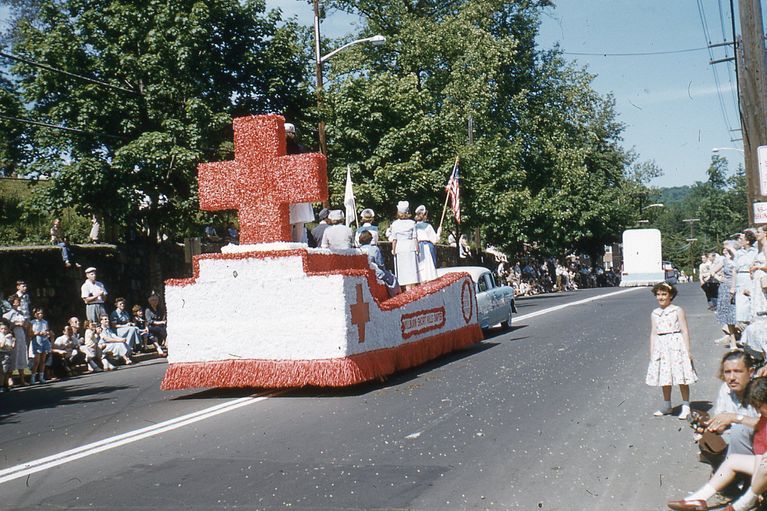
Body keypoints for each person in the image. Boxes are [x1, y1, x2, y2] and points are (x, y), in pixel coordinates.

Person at [667, 377, 767, 511]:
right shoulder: (764, 419)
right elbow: (760, 451)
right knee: (733, 460)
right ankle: (697, 499)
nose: (759, 411)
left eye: (761, 406)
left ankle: (742, 505)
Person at [646, 282, 697, 420]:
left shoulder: (677, 310)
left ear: (671, 295)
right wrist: (652, 352)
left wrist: (688, 350)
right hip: (661, 346)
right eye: (658, 294)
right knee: (665, 376)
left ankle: (686, 405)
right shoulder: (655, 313)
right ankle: (667, 404)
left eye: (664, 294)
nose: (660, 297)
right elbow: (653, 333)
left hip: (676, 344)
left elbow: (684, 330)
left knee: (681, 374)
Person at [699, 351, 759, 468]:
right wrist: (712, 427)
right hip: (739, 445)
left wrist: (734, 418)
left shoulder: (761, 391)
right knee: (708, 439)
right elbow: (721, 419)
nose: (731, 378)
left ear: (750, 372)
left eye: (737, 371)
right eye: (727, 372)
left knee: (738, 431)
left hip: (760, 445)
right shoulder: (725, 389)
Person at [284, 123, 315, 244]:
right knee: (297, 220)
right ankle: (294, 243)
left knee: (297, 220)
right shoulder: (301, 148)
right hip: (295, 187)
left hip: (296, 187)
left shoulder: (299, 149)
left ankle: (294, 243)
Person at [358, 230, 400, 297]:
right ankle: (395, 295)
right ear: (370, 239)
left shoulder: (358, 250)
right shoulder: (374, 249)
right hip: (375, 272)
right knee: (392, 278)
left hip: (363, 271)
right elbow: (380, 263)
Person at [389, 201, 420, 291]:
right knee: (412, 271)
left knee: (404, 272)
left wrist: (393, 250)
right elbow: (415, 238)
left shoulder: (395, 224)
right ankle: (412, 290)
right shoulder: (412, 223)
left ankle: (406, 290)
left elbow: (394, 239)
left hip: (400, 247)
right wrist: (417, 249)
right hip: (410, 247)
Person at [715, 240, 739, 349]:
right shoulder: (724, 261)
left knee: (739, 315)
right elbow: (712, 271)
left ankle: (739, 337)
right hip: (726, 288)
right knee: (729, 316)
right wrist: (720, 278)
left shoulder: (738, 259)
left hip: (739, 287)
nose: (725, 250)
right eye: (724, 248)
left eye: (727, 248)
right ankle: (732, 341)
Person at [3, 295, 29, 386]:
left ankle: (22, 379)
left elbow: (25, 325)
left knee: (22, 356)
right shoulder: (8, 314)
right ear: (12, 302)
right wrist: (15, 324)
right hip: (14, 336)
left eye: (19, 300)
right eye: (17, 301)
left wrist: (23, 324)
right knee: (14, 356)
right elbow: (6, 327)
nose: (18, 302)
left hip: (21, 336)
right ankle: (10, 378)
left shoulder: (20, 313)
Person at [734, 230, 758, 326]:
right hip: (740, 278)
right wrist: (733, 286)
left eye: (741, 239)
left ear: (747, 241)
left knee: (751, 305)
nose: (739, 241)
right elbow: (735, 270)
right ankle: (745, 333)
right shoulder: (738, 253)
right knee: (741, 309)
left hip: (750, 277)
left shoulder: (755, 252)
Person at [414, 205, 438, 282]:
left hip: (417, 247)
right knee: (430, 270)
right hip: (427, 248)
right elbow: (435, 240)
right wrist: (439, 233)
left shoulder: (414, 226)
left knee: (421, 269)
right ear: (424, 215)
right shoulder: (428, 226)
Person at [30, 307, 52, 384]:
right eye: (39, 313)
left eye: (41, 313)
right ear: (35, 314)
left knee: (43, 361)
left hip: (44, 341)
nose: (40, 315)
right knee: (37, 361)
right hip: (37, 341)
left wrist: (46, 333)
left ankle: (41, 377)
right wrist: (38, 333)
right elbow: (30, 333)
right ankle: (32, 377)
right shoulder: (32, 322)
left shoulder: (45, 322)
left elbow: (47, 330)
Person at [0, 320, 16, 392]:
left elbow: (12, 347)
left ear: (8, 329)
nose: (3, 330)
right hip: (2, 354)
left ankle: (6, 385)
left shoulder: (10, 336)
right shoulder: (2, 336)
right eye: (2, 329)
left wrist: (13, 340)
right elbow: (1, 346)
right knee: (2, 371)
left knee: (7, 371)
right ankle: (1, 385)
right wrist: (5, 338)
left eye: (5, 329)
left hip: (9, 354)